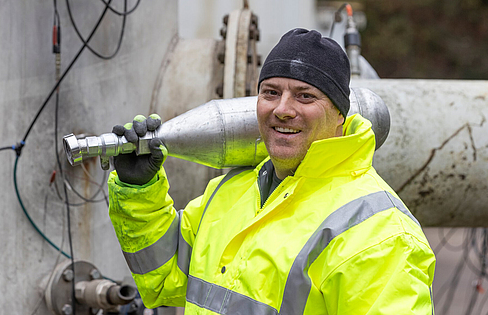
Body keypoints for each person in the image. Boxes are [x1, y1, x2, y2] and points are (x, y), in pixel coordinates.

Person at [108, 28, 436, 314]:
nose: (282, 110)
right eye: (271, 93)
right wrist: (138, 187)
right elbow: (163, 280)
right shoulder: (231, 191)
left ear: (339, 114)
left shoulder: (381, 233)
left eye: (305, 96)